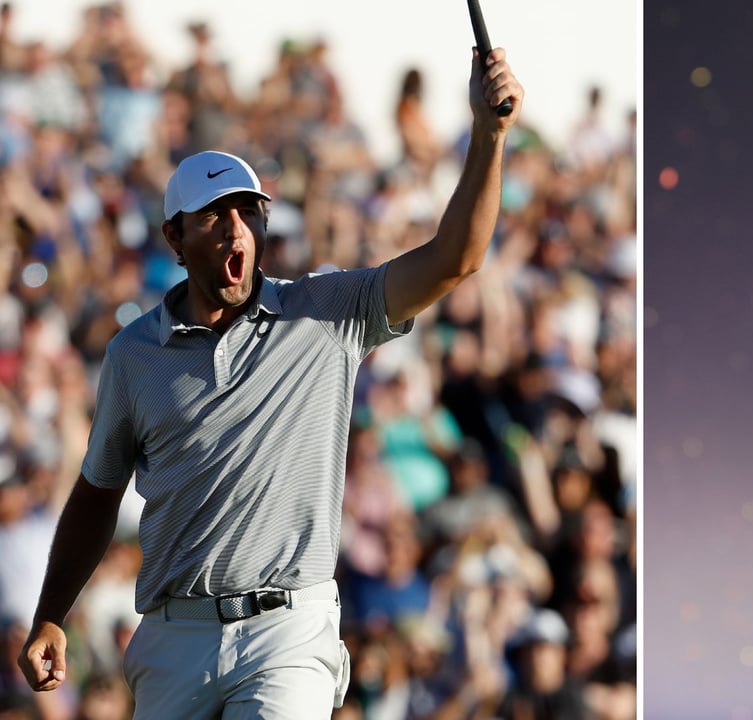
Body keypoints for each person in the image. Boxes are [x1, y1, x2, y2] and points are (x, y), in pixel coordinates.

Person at [16, 46, 524, 719]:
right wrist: (52, 614)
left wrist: (488, 137)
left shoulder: (326, 312)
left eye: (248, 213)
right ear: (174, 234)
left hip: (288, 632)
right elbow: (97, 491)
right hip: (175, 636)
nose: (236, 231)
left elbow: (455, 259)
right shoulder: (133, 355)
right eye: (213, 216)